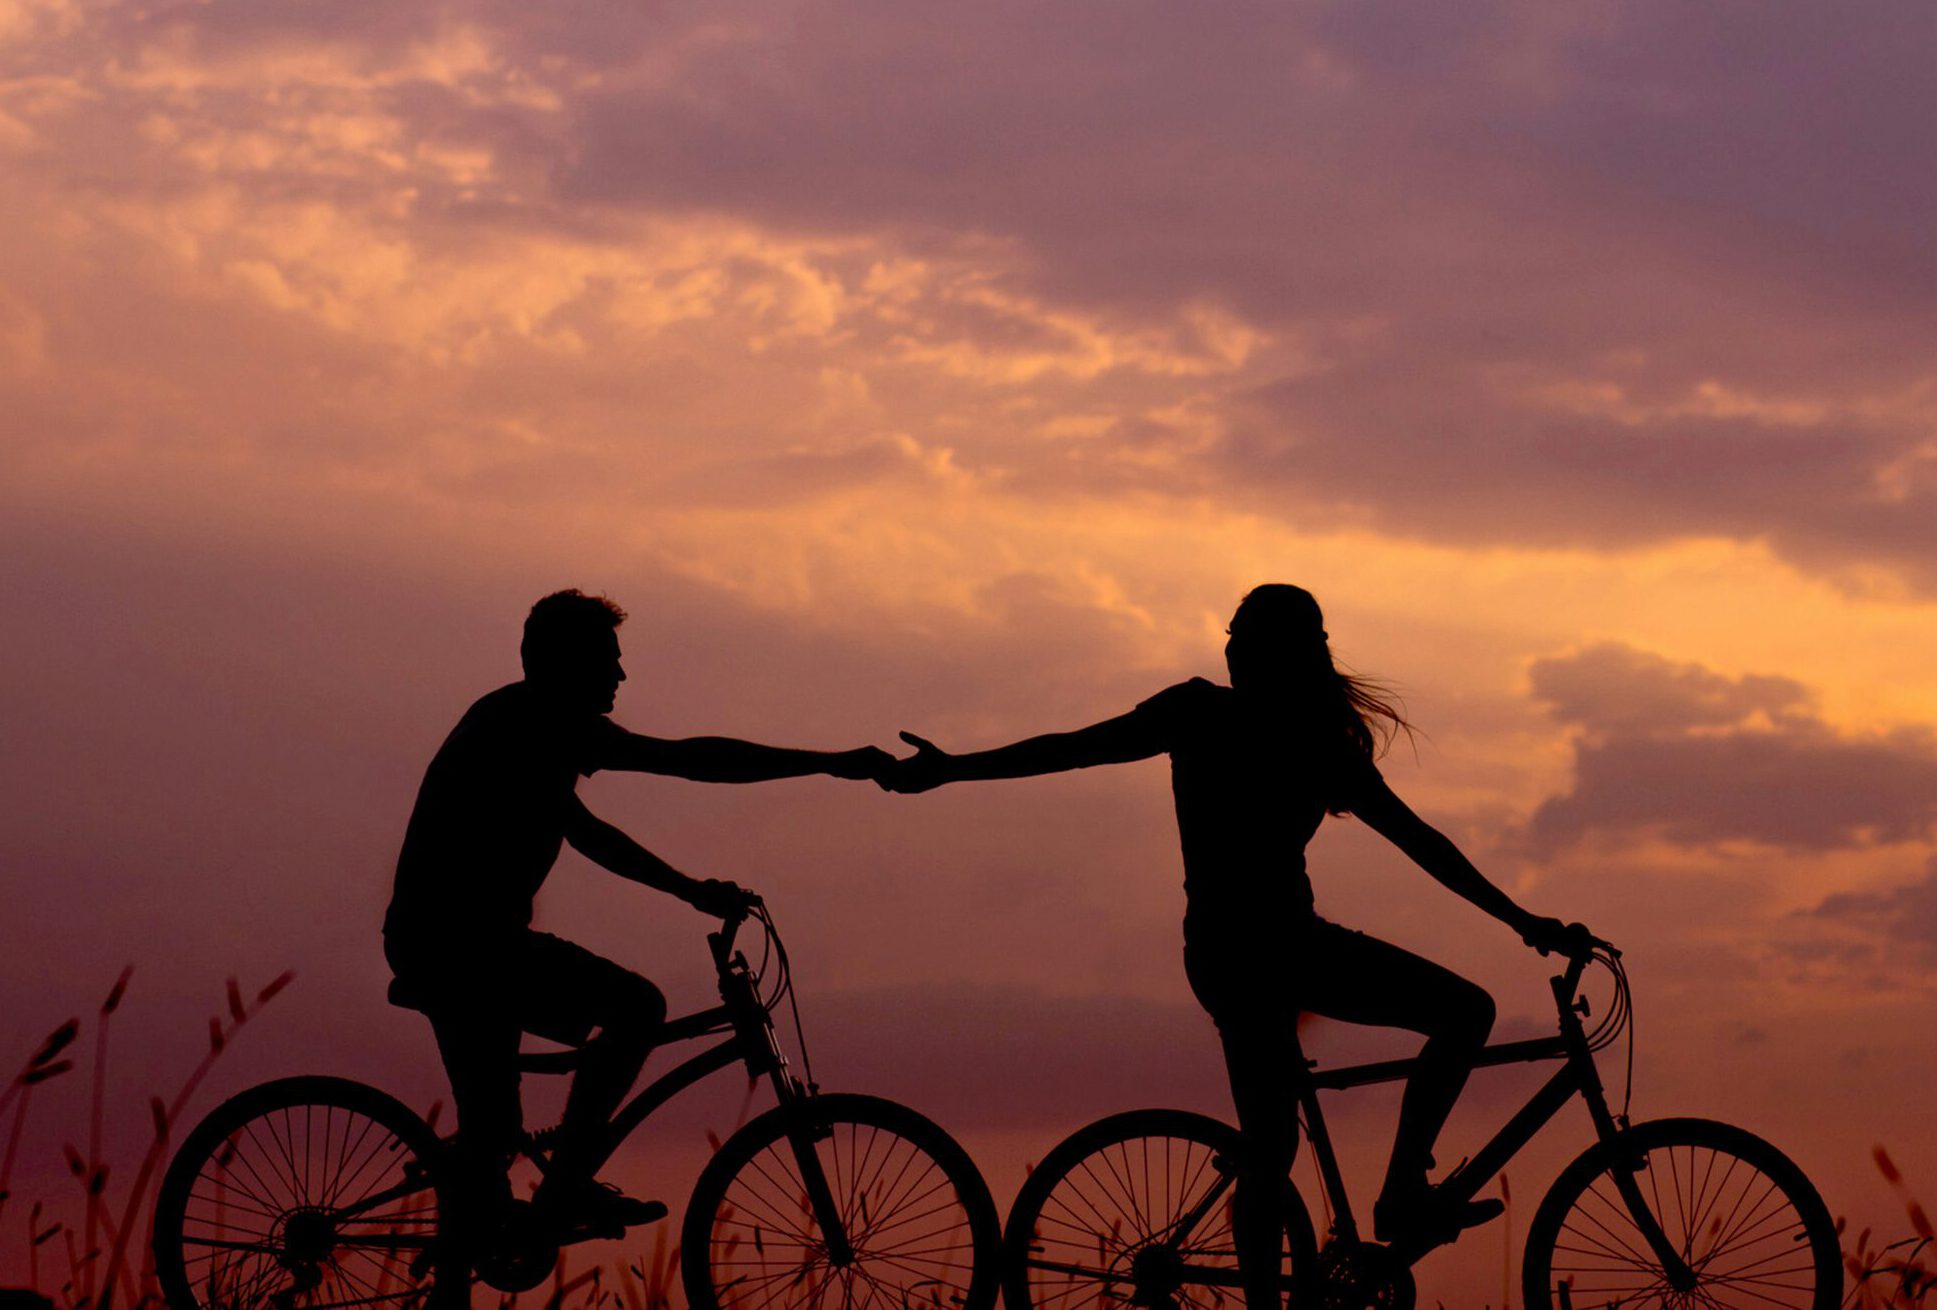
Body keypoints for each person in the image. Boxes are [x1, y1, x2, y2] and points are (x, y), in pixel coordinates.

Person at [881, 583, 1593, 1308]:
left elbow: (1420, 842)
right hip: (1263, 952)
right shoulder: (1226, 719)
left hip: (1250, 952)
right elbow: (1070, 751)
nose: (1229, 648)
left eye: (1243, 637)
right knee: (1444, 1025)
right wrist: (954, 768)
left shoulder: (1288, 735)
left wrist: (1521, 919)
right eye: (1231, 634)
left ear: (1281, 654)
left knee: (1278, 1141)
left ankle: (1369, 1218)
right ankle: (1402, 1194)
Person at [384, 589, 890, 1232]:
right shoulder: (533, 723)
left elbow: (592, 828)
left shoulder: (527, 728)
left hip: (466, 944)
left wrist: (690, 889)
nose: (620, 674)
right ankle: (564, 1183)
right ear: (567, 662)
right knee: (636, 1008)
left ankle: (497, 1219)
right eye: (607, 658)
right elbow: (682, 764)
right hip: (460, 948)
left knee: (492, 1143)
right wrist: (830, 764)